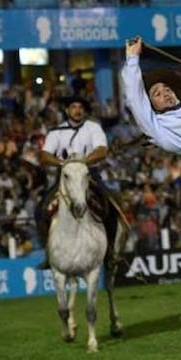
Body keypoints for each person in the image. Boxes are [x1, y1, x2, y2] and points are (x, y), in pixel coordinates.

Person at [34, 95, 119, 270]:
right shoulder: (56, 131)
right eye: (73, 107)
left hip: (89, 174)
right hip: (65, 176)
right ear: (67, 110)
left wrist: (84, 162)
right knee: (40, 210)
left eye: (80, 107)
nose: (77, 110)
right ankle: (49, 254)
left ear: (84, 111)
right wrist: (62, 164)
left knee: (110, 207)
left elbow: (102, 150)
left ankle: (110, 252)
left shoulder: (93, 128)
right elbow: (44, 155)